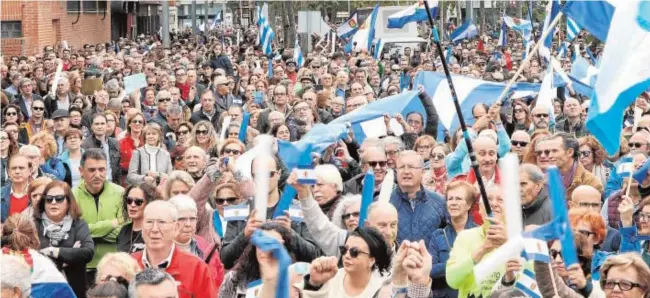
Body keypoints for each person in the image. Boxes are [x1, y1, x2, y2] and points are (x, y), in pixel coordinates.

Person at [220, 154, 321, 269]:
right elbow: (225, 259)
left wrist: (291, 234)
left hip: (288, 280)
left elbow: (314, 256)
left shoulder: (300, 210)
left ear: (278, 174)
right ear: (252, 177)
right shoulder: (238, 212)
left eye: (269, 174)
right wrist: (245, 235)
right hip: (248, 282)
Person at [130, 200, 217, 298]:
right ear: (142, 226)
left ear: (176, 227)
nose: (154, 229)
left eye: (161, 222)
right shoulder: (128, 264)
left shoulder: (197, 268)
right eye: (149, 222)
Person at [34, 180, 95, 298]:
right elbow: (32, 257)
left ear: (69, 202)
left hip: (74, 290)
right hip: (43, 291)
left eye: (59, 198)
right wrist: (70, 256)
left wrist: (54, 251)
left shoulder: (79, 224)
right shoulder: (35, 225)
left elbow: (87, 252)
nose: (53, 202)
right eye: (49, 199)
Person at [72, 148, 125, 282]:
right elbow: (74, 233)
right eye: (92, 170)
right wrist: (111, 224)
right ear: (81, 171)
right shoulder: (71, 195)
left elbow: (123, 232)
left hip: (115, 266)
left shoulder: (120, 193)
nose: (97, 174)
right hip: (83, 266)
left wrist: (88, 233)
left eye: (102, 169)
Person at [446, 187, 508, 297]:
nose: (493, 204)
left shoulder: (520, 239)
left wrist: (508, 244)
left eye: (500, 200)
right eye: (488, 199)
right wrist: (482, 250)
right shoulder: (464, 237)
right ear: (479, 208)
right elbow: (452, 281)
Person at [302, 227, 392, 298]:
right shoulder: (330, 278)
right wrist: (313, 284)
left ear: (371, 260)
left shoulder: (381, 289)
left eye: (354, 252)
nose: (347, 256)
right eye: (344, 249)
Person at [427, 180, 478, 298]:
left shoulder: (478, 233)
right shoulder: (438, 235)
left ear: (469, 205)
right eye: (450, 199)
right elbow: (430, 270)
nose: (453, 203)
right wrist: (457, 264)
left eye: (459, 199)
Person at [218, 222, 292, 298]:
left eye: (272, 244)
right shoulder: (234, 279)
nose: (265, 250)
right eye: (261, 243)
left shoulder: (292, 281)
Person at [391, 150, 448, 245]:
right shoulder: (385, 203)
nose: (406, 172)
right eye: (401, 167)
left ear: (422, 172)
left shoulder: (439, 202)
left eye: (411, 167)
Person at [168, 195, 225, 289]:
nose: (188, 224)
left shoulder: (208, 248)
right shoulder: (159, 249)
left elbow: (219, 283)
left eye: (192, 219)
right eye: (182, 219)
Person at [535, 133, 603, 198]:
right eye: (548, 152)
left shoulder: (590, 182)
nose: (549, 156)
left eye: (554, 151)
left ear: (570, 152)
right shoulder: (543, 181)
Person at [570, 185, 621, 252]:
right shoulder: (563, 234)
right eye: (585, 204)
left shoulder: (613, 236)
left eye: (595, 205)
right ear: (572, 206)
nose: (591, 209)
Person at [117, 184, 161, 254]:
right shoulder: (124, 230)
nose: (132, 205)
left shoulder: (154, 231)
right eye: (129, 200)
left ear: (148, 203)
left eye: (138, 202)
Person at [81, 113, 121, 183]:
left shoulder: (114, 143)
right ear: (92, 126)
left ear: (106, 125)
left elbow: (118, 167)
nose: (100, 126)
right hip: (95, 184)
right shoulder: (85, 145)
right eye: (97, 124)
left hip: (113, 184)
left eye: (102, 124)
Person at [1, 154, 32, 222]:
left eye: (21, 168)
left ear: (30, 171)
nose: (17, 171)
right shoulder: (1, 194)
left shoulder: (37, 194)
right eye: (13, 168)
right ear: (8, 172)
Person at [119, 112, 145, 181]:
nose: (137, 123)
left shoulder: (148, 143)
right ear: (129, 124)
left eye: (140, 122)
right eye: (134, 121)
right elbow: (117, 165)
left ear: (143, 125)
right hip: (126, 182)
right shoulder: (121, 143)